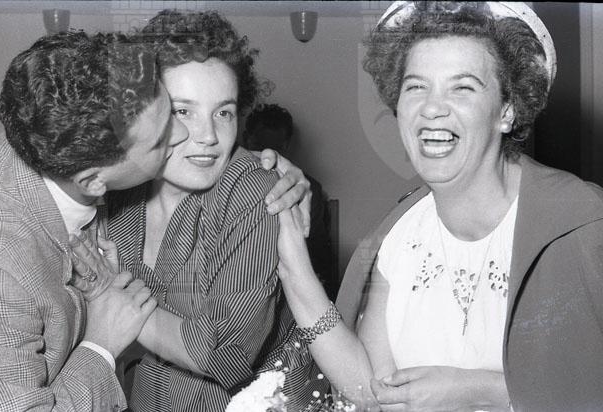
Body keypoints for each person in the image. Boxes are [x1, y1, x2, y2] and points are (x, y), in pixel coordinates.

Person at [277, 2, 603, 411]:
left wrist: (481, 391)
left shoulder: (582, 222)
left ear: (507, 111)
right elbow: (371, 393)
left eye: (462, 87)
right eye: (416, 86)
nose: (432, 108)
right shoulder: (400, 236)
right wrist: (292, 263)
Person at [72, 11, 324, 412]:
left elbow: (224, 353)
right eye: (183, 111)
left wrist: (112, 300)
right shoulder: (118, 189)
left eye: (223, 112)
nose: (208, 137)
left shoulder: (256, 191)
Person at [0, 31, 176, 411]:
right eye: (161, 141)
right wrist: (102, 345)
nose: (184, 134)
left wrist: (265, 172)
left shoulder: (53, 128)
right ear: (93, 182)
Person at [244, 104, 338, 300]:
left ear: (286, 146)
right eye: (260, 147)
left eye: (275, 149)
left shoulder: (308, 190)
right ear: (246, 140)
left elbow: (319, 255)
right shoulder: (221, 182)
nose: (267, 158)